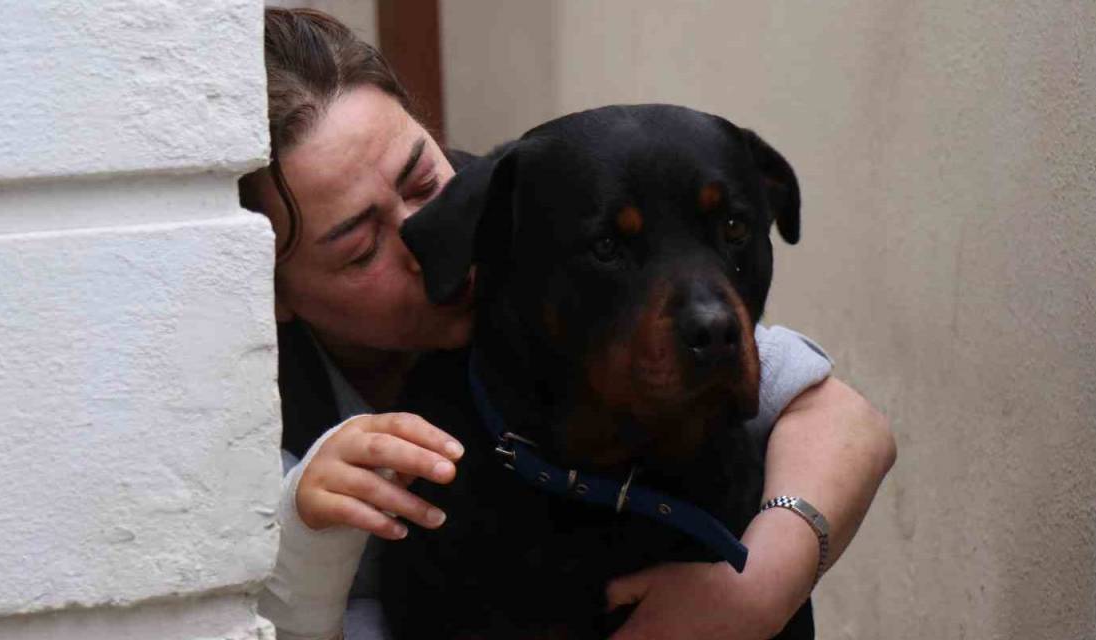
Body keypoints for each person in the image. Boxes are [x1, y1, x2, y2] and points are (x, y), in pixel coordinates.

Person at [238, 8, 896, 640]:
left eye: (420, 178)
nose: (421, 235)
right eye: (360, 246)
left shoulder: (514, 206)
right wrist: (306, 531)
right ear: (270, 291)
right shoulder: (242, 428)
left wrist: (756, 590)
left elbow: (845, 421)